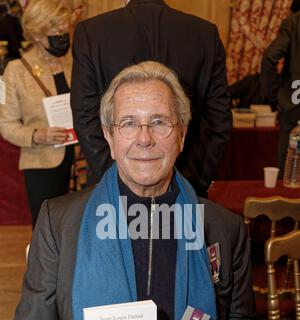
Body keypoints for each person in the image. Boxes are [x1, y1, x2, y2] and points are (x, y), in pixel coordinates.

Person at [9, 61, 266, 320]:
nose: (144, 138)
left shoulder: (221, 228)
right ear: (109, 138)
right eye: (129, 123)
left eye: (160, 122)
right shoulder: (60, 220)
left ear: (180, 135)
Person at [71, 0, 232, 197]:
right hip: (185, 187)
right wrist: (192, 182)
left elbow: (85, 118)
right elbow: (218, 121)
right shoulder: (204, 34)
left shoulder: (91, 33)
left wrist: (120, 181)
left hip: (113, 190)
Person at [0, 0, 74, 227]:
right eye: (57, 31)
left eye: (65, 28)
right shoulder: (15, 71)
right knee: (47, 230)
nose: (63, 35)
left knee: (76, 227)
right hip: (42, 162)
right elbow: (5, 124)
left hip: (81, 160)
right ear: (38, 34)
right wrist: (37, 135)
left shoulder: (77, 60)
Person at [261, 6, 300, 176]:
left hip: (294, 99)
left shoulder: (295, 21)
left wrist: (273, 96)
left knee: (289, 171)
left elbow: (270, 57)